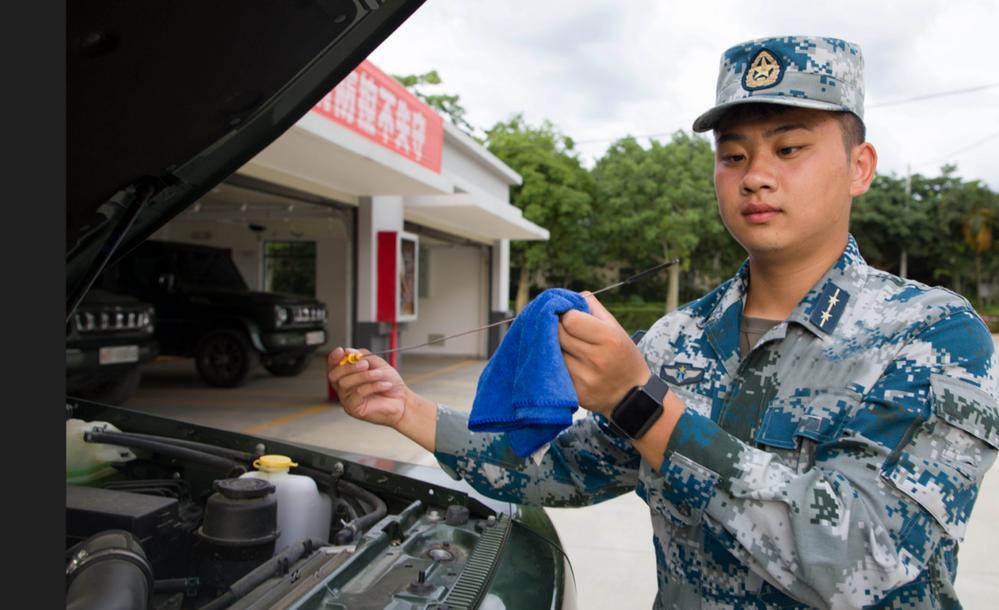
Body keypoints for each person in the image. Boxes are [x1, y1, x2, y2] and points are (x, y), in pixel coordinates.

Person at [327, 35, 998, 609]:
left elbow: (867, 561)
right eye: (732, 156)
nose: (754, 176)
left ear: (858, 168)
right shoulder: (678, 338)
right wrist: (407, 410)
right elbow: (568, 467)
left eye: (788, 149)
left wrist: (642, 405)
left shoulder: (932, 336)